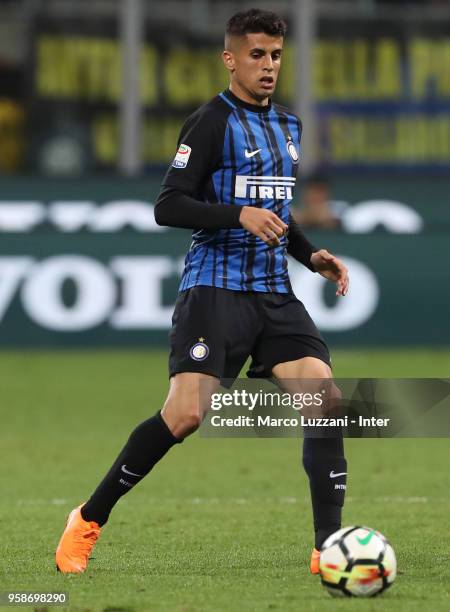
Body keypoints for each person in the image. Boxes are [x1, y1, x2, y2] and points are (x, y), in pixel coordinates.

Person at [55, 8, 349, 576]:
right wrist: (236, 213)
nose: (268, 66)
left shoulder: (290, 127)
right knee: (186, 415)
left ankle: (328, 547)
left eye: (277, 55)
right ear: (231, 58)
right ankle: (88, 518)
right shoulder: (210, 122)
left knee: (326, 400)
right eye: (257, 54)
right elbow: (169, 204)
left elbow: (275, 212)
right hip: (214, 289)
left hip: (273, 293)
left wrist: (309, 254)